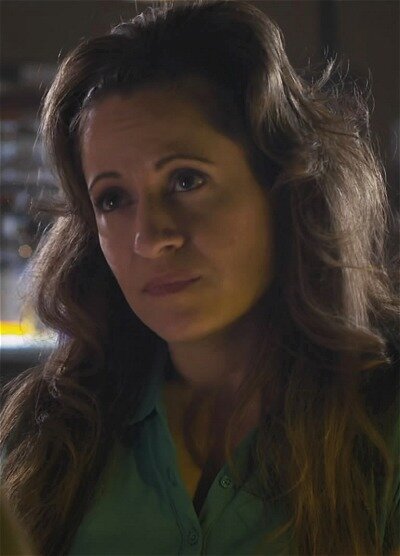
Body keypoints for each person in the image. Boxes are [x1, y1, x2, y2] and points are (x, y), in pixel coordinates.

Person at [0, 1, 399, 555]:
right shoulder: (50, 433)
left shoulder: (383, 423)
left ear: (282, 188)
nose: (150, 237)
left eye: (186, 180)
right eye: (112, 199)